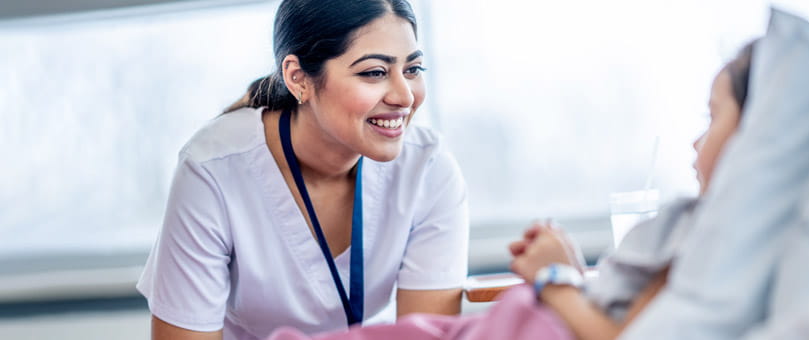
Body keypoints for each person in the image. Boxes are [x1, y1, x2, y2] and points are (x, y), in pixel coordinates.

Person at [262, 40, 761, 340]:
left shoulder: (736, 246)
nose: (696, 139)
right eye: (374, 71)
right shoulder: (710, 229)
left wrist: (555, 275)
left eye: (712, 118)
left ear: (764, 138)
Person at [136, 1, 470, 339]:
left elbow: (429, 334)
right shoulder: (212, 169)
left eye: (412, 69)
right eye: (374, 72)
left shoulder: (427, 167)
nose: (405, 97)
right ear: (298, 78)